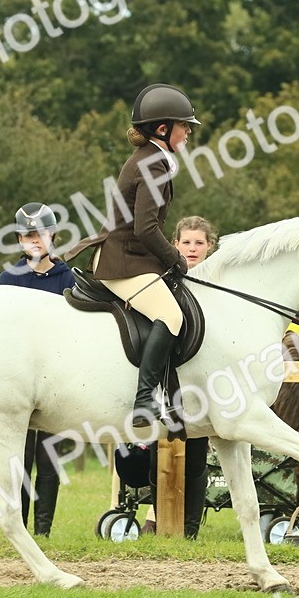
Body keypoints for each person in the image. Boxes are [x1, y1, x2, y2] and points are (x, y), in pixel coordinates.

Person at [74, 83, 200, 427]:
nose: (188, 131)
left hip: (133, 256)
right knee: (171, 316)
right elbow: (145, 228)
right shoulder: (153, 164)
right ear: (162, 129)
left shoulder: (153, 159)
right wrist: (175, 258)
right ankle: (144, 401)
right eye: (184, 125)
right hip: (124, 261)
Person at [0, 202, 76, 536]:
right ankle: (23, 530)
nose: (35, 240)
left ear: (52, 235)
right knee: (21, 459)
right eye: (28, 235)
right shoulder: (7, 280)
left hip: (55, 382)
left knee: (49, 458)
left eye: (40, 234)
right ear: (19, 240)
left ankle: (44, 531)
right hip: (17, 383)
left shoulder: (68, 278)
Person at [145, 216, 216, 539]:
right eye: (186, 242)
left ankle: (190, 532)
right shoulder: (163, 280)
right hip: (165, 380)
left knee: (197, 457)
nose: (192, 248)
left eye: (199, 242)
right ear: (175, 245)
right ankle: (162, 524)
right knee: (158, 454)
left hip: (202, 383)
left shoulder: (217, 283)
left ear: (209, 246)